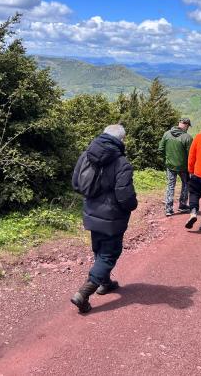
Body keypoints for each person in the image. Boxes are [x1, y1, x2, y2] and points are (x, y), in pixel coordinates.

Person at [70, 124, 138, 313]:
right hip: (112, 217)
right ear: (121, 140)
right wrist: (133, 205)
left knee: (99, 249)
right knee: (109, 254)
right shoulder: (121, 162)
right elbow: (125, 196)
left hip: (91, 213)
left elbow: (76, 183)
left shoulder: (86, 155)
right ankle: (83, 293)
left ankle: (104, 283)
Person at [158, 118, 193, 216]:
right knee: (186, 184)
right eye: (188, 126)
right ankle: (182, 205)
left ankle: (168, 209)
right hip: (183, 167)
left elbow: (160, 149)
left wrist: (167, 159)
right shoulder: (187, 137)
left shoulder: (167, 134)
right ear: (186, 125)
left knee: (170, 185)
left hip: (170, 165)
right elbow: (191, 155)